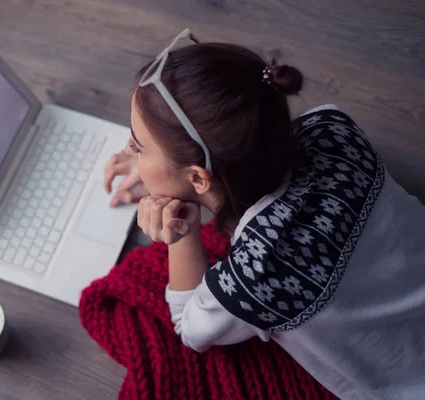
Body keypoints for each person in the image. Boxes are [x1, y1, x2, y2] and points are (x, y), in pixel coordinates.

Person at [103, 29, 425, 399]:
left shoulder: (254, 278)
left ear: (197, 177)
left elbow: (189, 329)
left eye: (139, 146)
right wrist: (163, 165)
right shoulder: (333, 127)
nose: (128, 148)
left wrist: (182, 233)